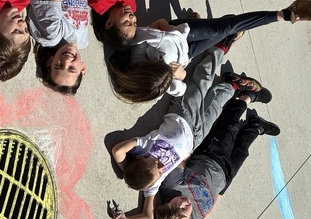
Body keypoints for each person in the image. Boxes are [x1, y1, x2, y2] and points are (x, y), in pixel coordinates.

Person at [111, 94, 280, 219]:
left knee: (229, 128)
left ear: (166, 205)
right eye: (185, 210)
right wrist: (220, 193)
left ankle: (245, 98)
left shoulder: (170, 186)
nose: (183, 203)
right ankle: (255, 128)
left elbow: (180, 163)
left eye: (176, 205)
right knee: (242, 152)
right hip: (224, 178)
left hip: (211, 157)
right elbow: (208, 212)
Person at [110, 45, 270, 200]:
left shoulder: (143, 148)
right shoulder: (153, 182)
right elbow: (148, 216)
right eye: (159, 171)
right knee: (215, 107)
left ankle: (219, 48)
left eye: (155, 163)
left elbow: (118, 151)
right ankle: (232, 84)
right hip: (195, 139)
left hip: (182, 115)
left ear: (140, 159)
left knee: (200, 84)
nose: (161, 167)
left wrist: (126, 171)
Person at [103, 5, 311, 104]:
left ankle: (285, 14)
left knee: (223, 27)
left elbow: (158, 24)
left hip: (183, 31)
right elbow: (179, 90)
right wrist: (178, 74)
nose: (133, 18)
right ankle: (215, 26)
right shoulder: (158, 82)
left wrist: (170, 30)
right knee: (223, 29)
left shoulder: (140, 44)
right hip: (188, 52)